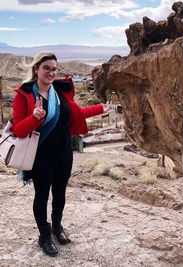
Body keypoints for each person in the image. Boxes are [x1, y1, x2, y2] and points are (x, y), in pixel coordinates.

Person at [12, 51, 110, 257]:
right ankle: (44, 235)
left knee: (60, 192)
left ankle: (57, 228)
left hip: (64, 151)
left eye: (54, 69)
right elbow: (19, 130)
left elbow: (77, 113)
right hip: (41, 155)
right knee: (41, 195)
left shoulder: (60, 91)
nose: (51, 72)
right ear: (36, 69)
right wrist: (35, 118)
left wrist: (101, 108)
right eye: (46, 68)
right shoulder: (25, 94)